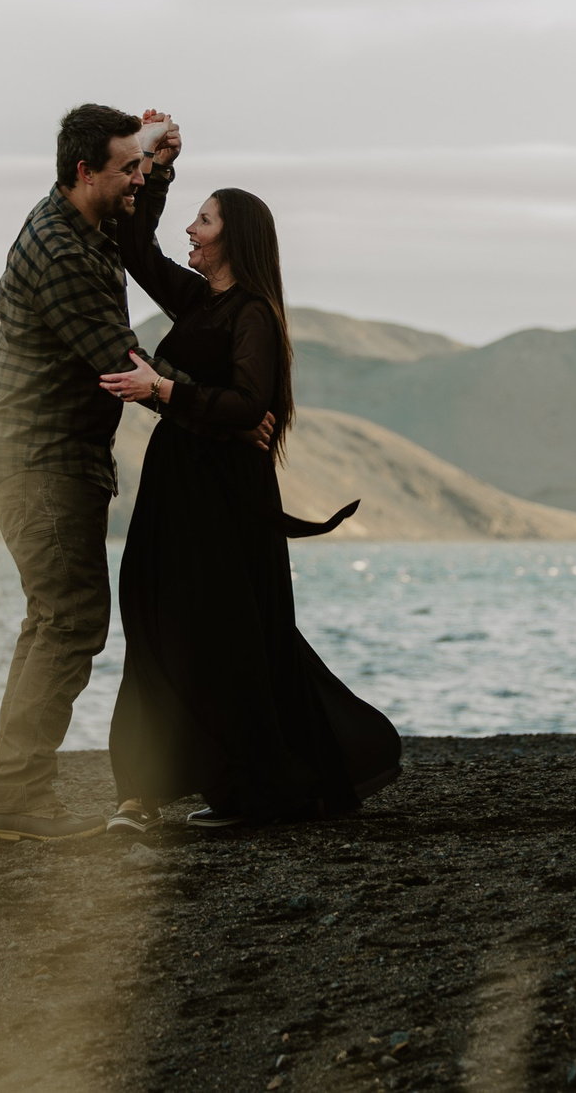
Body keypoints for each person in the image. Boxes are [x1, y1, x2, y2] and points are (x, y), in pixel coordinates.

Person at [97, 141, 402, 831]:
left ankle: (253, 789)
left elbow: (248, 404)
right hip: (176, 485)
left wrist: (163, 388)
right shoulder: (197, 299)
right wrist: (156, 168)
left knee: (225, 635)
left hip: (222, 498)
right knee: (149, 615)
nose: (191, 229)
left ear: (233, 240)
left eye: (203, 220)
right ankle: (145, 787)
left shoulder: (253, 313)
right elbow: (137, 247)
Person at [0, 102, 204, 842]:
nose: (137, 179)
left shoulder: (85, 221)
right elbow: (121, 360)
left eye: (139, 167)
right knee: (70, 620)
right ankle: (17, 799)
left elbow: (133, 229)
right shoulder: (61, 252)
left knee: (54, 620)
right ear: (83, 171)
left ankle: (14, 795)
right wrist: (220, 408)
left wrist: (156, 162)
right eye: (126, 169)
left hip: (55, 460)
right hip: (40, 462)